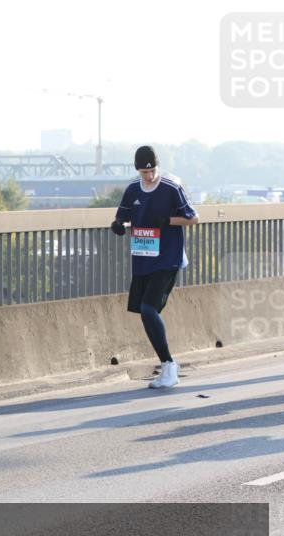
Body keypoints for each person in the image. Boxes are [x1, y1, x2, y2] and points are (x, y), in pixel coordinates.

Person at [111, 145, 199, 388]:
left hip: (167, 258)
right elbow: (123, 216)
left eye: (151, 171)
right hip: (143, 258)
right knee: (144, 311)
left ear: (157, 167)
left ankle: (169, 366)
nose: (148, 176)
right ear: (138, 170)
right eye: (143, 172)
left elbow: (193, 218)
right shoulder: (132, 190)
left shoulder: (171, 188)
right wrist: (118, 224)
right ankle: (168, 366)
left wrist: (168, 221)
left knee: (149, 309)